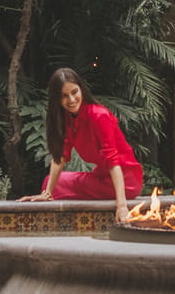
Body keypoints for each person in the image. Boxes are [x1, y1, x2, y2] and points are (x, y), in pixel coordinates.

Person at [19, 68, 143, 222]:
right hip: (102, 176)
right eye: (64, 96)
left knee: (58, 185)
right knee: (50, 182)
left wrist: (122, 205)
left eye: (74, 92)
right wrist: (47, 193)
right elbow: (61, 157)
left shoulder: (99, 115)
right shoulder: (68, 118)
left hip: (125, 180)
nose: (71, 100)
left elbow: (113, 161)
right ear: (56, 99)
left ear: (82, 90)